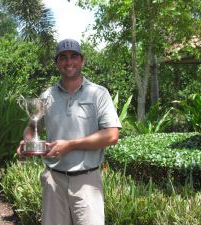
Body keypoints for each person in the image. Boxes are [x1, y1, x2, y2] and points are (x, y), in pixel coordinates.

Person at [17, 38, 122, 225]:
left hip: (87, 182)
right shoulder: (47, 96)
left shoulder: (98, 93)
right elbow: (32, 127)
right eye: (63, 57)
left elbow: (112, 135)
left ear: (82, 61)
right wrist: (28, 143)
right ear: (56, 63)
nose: (69, 62)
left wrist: (70, 145)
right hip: (54, 181)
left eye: (74, 56)